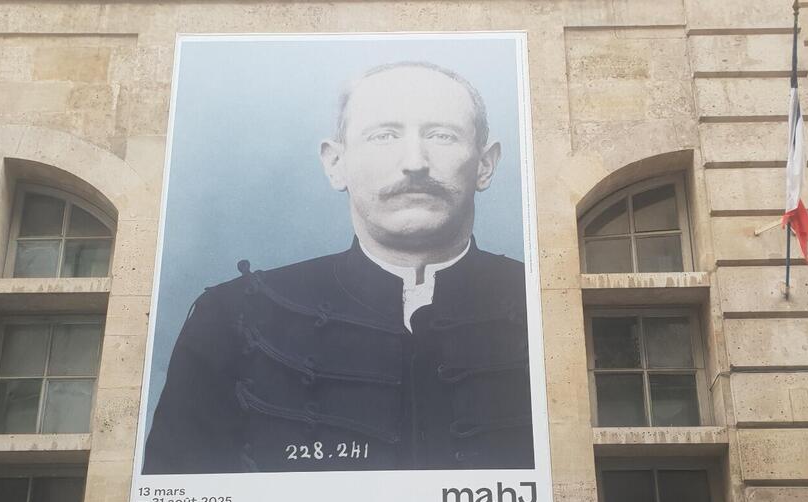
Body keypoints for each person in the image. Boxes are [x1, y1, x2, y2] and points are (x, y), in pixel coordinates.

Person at [143, 61, 533, 474]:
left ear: (485, 164)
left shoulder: (541, 305)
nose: (415, 162)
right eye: (384, 135)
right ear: (335, 164)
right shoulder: (233, 317)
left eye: (441, 135)